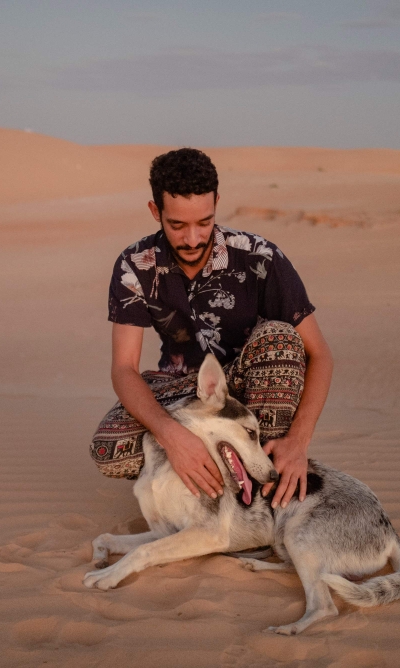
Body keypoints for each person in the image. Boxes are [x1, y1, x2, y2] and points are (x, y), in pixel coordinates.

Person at [90, 148, 333, 509]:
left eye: (204, 222)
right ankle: (203, 472)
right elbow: (124, 368)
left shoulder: (260, 257)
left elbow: (321, 355)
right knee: (109, 450)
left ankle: (261, 497)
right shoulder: (135, 265)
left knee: (279, 339)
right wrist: (171, 434)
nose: (193, 239)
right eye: (177, 225)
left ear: (217, 203)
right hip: (185, 389)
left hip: (254, 387)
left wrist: (299, 440)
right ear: (155, 211)